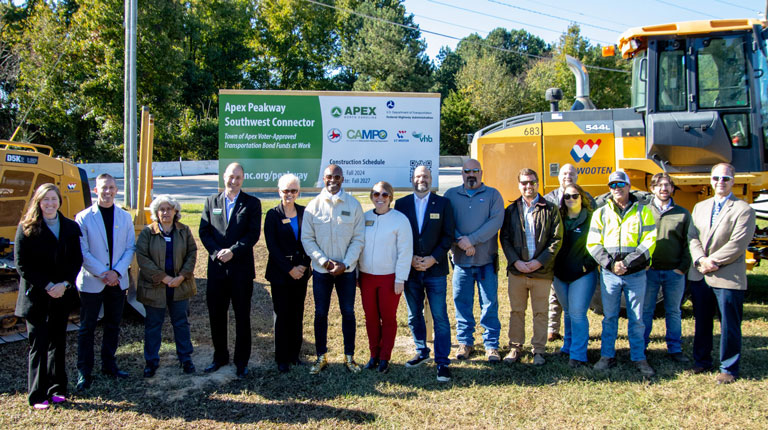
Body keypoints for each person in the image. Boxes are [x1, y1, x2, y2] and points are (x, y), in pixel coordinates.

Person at [14, 184, 83, 409]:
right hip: (36, 296)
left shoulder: (71, 228)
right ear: (38, 202)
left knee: (58, 342)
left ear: (59, 201)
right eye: (46, 200)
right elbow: (22, 264)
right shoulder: (26, 228)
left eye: (54, 199)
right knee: (39, 344)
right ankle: (37, 394)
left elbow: (76, 260)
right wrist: (48, 285)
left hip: (61, 294)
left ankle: (58, 389)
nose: (50, 204)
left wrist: (63, 284)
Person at [689, 163, 755, 384]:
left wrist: (713, 261)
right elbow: (692, 237)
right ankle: (701, 361)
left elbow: (738, 243)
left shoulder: (743, 209)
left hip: (727, 274)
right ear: (710, 180)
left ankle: (728, 367)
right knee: (702, 320)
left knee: (729, 323)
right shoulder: (700, 207)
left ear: (733, 181)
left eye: (725, 179)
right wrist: (700, 259)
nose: (720, 182)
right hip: (701, 273)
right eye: (716, 178)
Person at [587, 170, 657, 376]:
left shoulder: (643, 211)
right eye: (613, 186)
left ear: (628, 186)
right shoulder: (600, 213)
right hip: (610, 275)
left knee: (636, 318)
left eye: (621, 185)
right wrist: (610, 265)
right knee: (609, 318)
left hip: (635, 274)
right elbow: (592, 243)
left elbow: (649, 240)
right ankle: (607, 356)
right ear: (609, 189)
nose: (617, 189)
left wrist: (626, 263)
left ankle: (639, 357)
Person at [199, 162, 261, 378]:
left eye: (238, 177)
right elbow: (204, 231)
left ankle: (241, 361)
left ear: (243, 179)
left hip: (241, 270)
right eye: (230, 177)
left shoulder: (252, 203)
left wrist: (233, 251)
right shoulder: (211, 201)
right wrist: (217, 252)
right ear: (223, 177)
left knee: (242, 317)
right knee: (217, 316)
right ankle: (220, 356)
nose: (234, 181)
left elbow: (253, 234)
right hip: (217, 270)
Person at [301, 164, 365, 374]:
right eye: (329, 176)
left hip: (346, 272)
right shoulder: (313, 206)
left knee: (348, 313)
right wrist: (325, 263)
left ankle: (349, 357)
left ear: (342, 179)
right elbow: (307, 239)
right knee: (320, 313)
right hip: (322, 272)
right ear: (324, 178)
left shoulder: (353, 205)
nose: (333, 180)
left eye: (337, 176)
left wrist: (345, 264)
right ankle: (321, 356)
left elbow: (358, 239)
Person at [75, 173, 136, 390]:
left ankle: (109, 365)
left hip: (117, 282)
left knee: (113, 325)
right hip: (93, 281)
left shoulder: (124, 217)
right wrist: (104, 273)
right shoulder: (83, 217)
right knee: (87, 328)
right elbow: (83, 252)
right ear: (95, 190)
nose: (107, 191)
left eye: (111, 187)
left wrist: (117, 273)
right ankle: (84, 371)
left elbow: (130, 248)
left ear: (116, 190)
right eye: (103, 188)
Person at [395, 165, 455, 382]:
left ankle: (442, 362)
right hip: (410, 270)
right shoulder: (401, 204)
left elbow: (448, 236)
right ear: (412, 179)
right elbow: (398, 236)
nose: (422, 179)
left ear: (431, 179)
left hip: (435, 270)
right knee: (413, 315)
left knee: (439, 317)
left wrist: (433, 258)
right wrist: (410, 258)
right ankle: (421, 351)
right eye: (418, 176)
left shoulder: (443, 203)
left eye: (426, 176)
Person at [499, 169, 562, 366]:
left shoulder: (550, 209)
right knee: (516, 311)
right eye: (524, 183)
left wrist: (539, 261)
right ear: (519, 185)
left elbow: (556, 239)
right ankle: (515, 347)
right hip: (518, 271)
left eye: (532, 182)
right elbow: (505, 238)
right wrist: (515, 261)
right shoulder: (511, 210)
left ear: (537, 183)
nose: (528, 186)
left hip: (541, 272)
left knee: (541, 312)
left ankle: (539, 350)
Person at [443, 159, 505, 362]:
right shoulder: (451, 195)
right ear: (462, 173)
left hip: (486, 261)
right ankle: (464, 342)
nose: (471, 174)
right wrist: (462, 241)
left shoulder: (493, 195)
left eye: (475, 171)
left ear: (481, 173)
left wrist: (472, 240)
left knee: (489, 304)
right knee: (462, 303)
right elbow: (446, 223)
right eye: (467, 171)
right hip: (461, 262)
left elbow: (495, 222)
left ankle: (491, 345)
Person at [136, 195, 197, 378]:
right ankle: (151, 362)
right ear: (156, 212)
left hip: (180, 285)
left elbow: (192, 253)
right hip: (155, 287)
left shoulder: (184, 231)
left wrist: (181, 276)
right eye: (161, 209)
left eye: (169, 209)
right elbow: (142, 257)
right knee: (153, 325)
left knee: (181, 323)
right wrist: (162, 277)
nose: (165, 212)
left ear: (175, 211)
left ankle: (185, 358)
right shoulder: (148, 232)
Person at [358, 181, 413, 374]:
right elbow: (358, 246)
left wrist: (400, 278)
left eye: (384, 195)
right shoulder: (364, 218)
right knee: (371, 317)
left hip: (389, 278)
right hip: (366, 277)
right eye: (376, 194)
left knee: (388, 318)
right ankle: (373, 355)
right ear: (371, 196)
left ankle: (384, 357)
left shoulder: (400, 220)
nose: (380, 198)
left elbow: (405, 251)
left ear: (391, 197)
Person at [642, 173, 692, 363]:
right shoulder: (643, 211)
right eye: (659, 185)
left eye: (667, 185)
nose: (664, 189)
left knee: (673, 311)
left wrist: (682, 267)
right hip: (649, 272)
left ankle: (675, 348)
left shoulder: (683, 213)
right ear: (652, 189)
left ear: (672, 189)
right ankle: (642, 347)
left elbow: (690, 242)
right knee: (646, 311)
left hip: (674, 272)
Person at [264, 174, 311, 373]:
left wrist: (303, 266)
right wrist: (289, 269)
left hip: (301, 272)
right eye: (285, 191)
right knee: (282, 315)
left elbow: (310, 240)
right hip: (280, 273)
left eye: (293, 190)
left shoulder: (304, 212)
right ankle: (282, 357)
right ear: (279, 192)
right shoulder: (272, 215)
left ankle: (295, 354)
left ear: (298, 192)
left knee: (297, 314)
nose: (289, 194)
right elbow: (272, 247)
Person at [543, 163, 595, 342]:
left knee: (573, 306)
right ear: (558, 176)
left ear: (577, 176)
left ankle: (575, 344)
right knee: (555, 297)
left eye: (571, 173)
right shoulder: (549, 198)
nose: (568, 176)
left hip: (579, 263)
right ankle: (553, 329)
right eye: (564, 173)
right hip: (556, 261)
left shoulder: (587, 200)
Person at [551, 183, 597, 367]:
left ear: (582, 197)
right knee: (568, 312)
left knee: (578, 313)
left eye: (575, 196)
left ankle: (578, 355)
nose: (571, 199)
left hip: (582, 274)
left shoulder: (592, 218)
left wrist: (587, 266)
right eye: (567, 196)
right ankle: (568, 347)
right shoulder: (558, 218)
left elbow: (598, 245)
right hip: (560, 274)